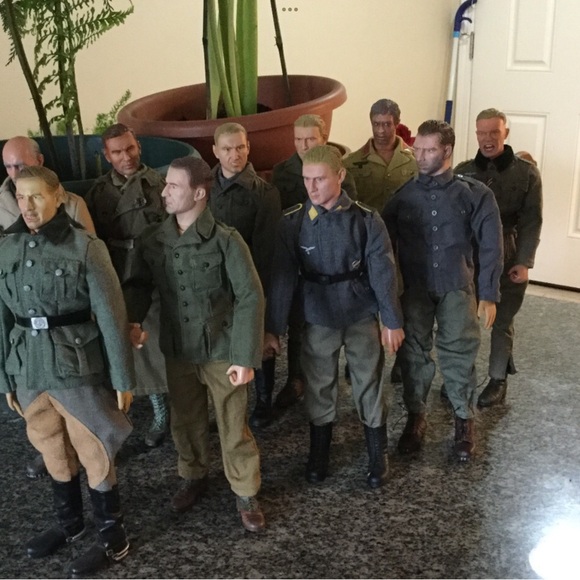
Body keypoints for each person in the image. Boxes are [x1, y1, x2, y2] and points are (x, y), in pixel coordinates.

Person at [0, 166, 135, 577]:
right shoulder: (7, 247)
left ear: (58, 197)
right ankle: (70, 523)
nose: (28, 206)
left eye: (37, 196)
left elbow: (112, 316)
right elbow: (2, 316)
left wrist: (122, 378)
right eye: (21, 197)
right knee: (50, 446)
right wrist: (5, 377)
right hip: (28, 366)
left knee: (93, 447)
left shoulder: (85, 247)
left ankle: (112, 538)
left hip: (75, 364)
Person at [123, 156, 266, 532]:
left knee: (233, 424)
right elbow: (138, 284)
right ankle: (193, 474)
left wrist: (244, 355)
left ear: (199, 193)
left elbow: (250, 296)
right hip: (178, 349)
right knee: (185, 420)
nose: (164, 192)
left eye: (174, 186)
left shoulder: (225, 240)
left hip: (221, 348)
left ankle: (245, 490)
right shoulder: (154, 239)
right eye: (165, 185)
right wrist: (133, 320)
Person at [264, 144, 404, 488]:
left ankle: (377, 452)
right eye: (306, 179)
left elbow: (383, 272)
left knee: (368, 380)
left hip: (358, 309)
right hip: (317, 311)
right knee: (319, 383)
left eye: (320, 179)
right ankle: (319, 451)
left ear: (340, 176)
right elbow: (282, 278)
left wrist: (391, 320)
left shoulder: (365, 220)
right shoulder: (293, 222)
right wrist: (273, 328)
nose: (311, 188)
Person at [382, 120, 503, 462]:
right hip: (415, 288)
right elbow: (383, 249)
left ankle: (464, 420)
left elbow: (491, 246)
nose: (420, 156)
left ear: (447, 150)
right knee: (414, 354)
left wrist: (488, 293)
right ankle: (416, 416)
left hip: (456, 286)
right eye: (417, 149)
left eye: (429, 149)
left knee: (460, 352)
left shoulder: (474, 194)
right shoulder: (402, 197)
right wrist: (386, 299)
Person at [1, 136, 96, 480]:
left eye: (21, 165)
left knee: (83, 415)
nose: (15, 173)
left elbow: (90, 262)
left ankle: (94, 471)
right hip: (26, 334)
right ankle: (56, 462)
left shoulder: (70, 204)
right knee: (42, 421)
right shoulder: (2, 204)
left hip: (67, 329)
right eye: (9, 166)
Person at [85, 123, 169, 447]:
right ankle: (123, 409)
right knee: (117, 340)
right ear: (107, 156)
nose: (126, 157)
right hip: (114, 269)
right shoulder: (98, 193)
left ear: (139, 147)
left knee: (150, 343)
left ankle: (161, 409)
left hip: (149, 271)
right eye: (117, 152)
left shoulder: (159, 185)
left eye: (130, 148)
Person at [454, 109, 543, 407]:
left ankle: (498, 379)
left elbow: (532, 221)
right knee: (463, 319)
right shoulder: (463, 172)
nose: (488, 138)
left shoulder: (526, 173)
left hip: (509, 250)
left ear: (506, 133)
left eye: (494, 132)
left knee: (502, 319)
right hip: (472, 253)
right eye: (482, 132)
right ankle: (460, 376)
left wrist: (524, 261)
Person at [270, 114, 358, 409]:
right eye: (298, 139)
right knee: (297, 320)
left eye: (310, 139)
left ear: (324, 138)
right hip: (295, 251)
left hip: (331, 257)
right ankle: (295, 378)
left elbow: (349, 215)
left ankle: (329, 377)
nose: (303, 145)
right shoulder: (283, 172)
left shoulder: (339, 170)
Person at [209, 122, 281, 429]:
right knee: (221, 344)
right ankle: (227, 405)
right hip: (214, 282)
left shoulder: (264, 193)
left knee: (257, 340)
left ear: (248, 147)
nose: (234, 154)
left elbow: (266, 251)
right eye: (227, 149)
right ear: (215, 151)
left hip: (250, 279)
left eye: (240, 147)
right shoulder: (205, 188)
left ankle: (263, 400)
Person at [344, 99, 418, 385]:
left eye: (387, 124)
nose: (381, 131)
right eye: (376, 124)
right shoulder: (353, 163)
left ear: (397, 123)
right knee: (365, 301)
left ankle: (402, 359)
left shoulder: (413, 160)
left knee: (404, 299)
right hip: (367, 243)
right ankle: (360, 358)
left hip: (404, 242)